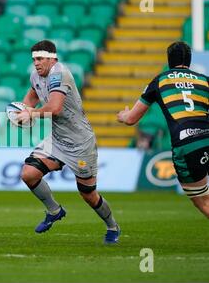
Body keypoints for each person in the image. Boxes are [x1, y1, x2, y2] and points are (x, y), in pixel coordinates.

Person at [16, 40, 121, 244]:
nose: (36, 63)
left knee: (88, 195)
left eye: (40, 59)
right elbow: (30, 100)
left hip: (80, 142)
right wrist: (20, 113)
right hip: (56, 140)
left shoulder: (59, 73)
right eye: (34, 59)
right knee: (28, 174)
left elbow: (55, 108)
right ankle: (54, 210)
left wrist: (32, 114)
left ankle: (112, 225)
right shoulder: (36, 75)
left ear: (52, 58)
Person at [117, 41, 209, 218]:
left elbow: (131, 119)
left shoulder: (160, 80)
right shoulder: (204, 80)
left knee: (203, 201)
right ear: (189, 60)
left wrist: (123, 115)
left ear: (169, 60)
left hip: (187, 144)